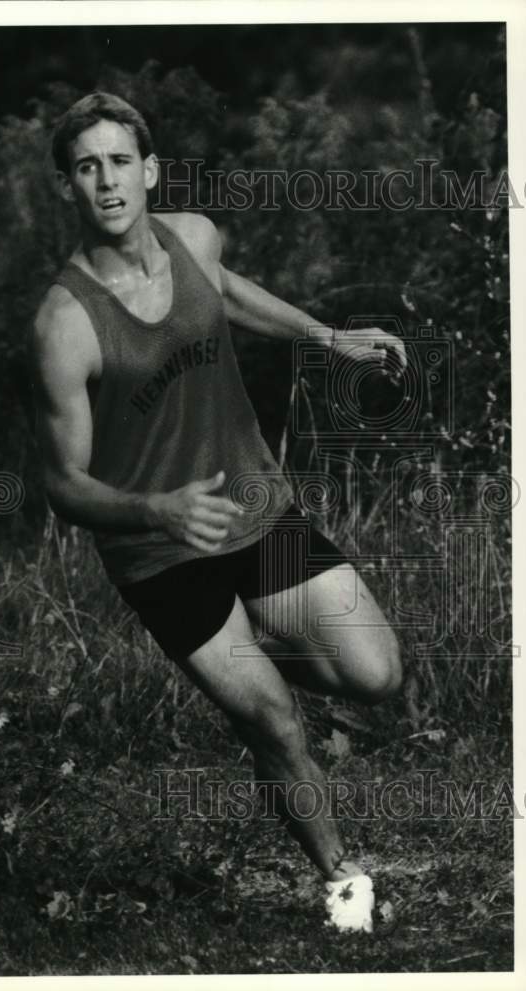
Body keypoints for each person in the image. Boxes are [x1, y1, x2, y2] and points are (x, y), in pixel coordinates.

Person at [32, 92, 406, 934]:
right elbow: (62, 482)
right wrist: (154, 509)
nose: (106, 180)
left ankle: (249, 669)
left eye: (119, 161)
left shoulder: (194, 237)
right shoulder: (63, 324)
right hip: (160, 551)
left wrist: (324, 337)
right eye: (86, 167)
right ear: (66, 185)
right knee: (272, 720)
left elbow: (226, 294)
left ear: (149, 170)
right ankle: (340, 881)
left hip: (255, 507)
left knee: (377, 674)